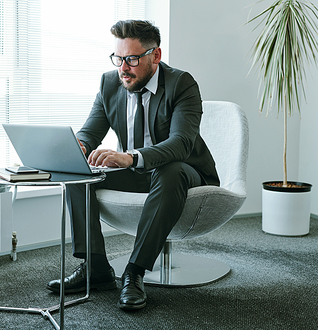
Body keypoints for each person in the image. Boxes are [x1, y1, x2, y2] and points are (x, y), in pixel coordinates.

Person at [47, 20, 220, 310]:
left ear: (156, 56)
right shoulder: (110, 82)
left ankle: (135, 272)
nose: (123, 68)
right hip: (136, 172)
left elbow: (182, 143)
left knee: (170, 170)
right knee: (76, 173)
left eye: (132, 59)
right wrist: (78, 147)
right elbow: (91, 132)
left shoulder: (182, 84)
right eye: (118, 58)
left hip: (183, 171)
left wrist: (132, 156)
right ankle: (96, 268)